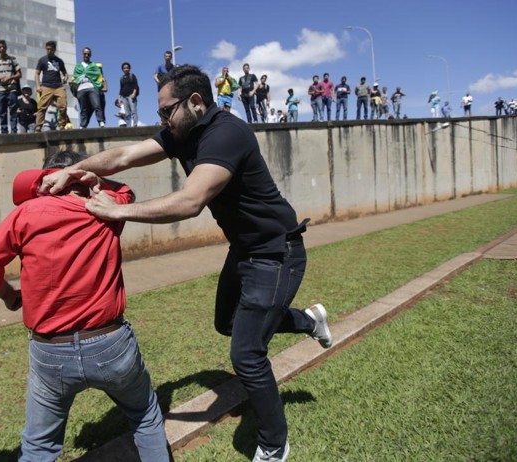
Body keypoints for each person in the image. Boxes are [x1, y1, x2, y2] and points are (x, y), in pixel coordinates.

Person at [37, 65, 333, 462]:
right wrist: (74, 170)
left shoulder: (227, 133)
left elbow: (191, 201)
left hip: (276, 252)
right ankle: (309, 321)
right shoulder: (182, 132)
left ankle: (274, 444)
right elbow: (125, 154)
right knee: (226, 324)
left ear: (195, 102)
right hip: (244, 251)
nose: (162, 121)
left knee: (246, 354)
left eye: (165, 111)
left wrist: (119, 212)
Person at [0, 150, 170, 462]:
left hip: (50, 350)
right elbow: (127, 191)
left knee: (38, 447)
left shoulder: (27, 213)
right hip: (111, 344)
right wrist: (91, 177)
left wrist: (9, 295)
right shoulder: (106, 209)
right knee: (145, 416)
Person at [34, 41, 69, 132]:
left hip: (58, 86)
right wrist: (38, 86)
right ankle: (38, 126)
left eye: (51, 49)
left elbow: (65, 74)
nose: (49, 51)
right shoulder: (42, 60)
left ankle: (62, 125)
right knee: (42, 107)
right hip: (46, 86)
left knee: (63, 106)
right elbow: (37, 73)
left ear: (54, 49)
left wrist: (65, 78)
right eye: (47, 49)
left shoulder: (59, 61)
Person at [0, 40, 22, 134]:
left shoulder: (12, 59)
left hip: (11, 89)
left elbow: (19, 74)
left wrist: (10, 77)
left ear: (6, 47)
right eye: (0, 47)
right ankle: (4, 131)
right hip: (0, 90)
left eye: (3, 47)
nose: (2, 49)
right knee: (2, 112)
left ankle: (14, 131)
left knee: (13, 112)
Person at [72, 47, 105, 128]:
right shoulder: (78, 66)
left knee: (97, 105)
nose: (86, 55)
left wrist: (98, 85)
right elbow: (74, 78)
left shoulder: (93, 65)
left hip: (91, 87)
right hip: (81, 89)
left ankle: (101, 122)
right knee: (83, 108)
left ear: (90, 55)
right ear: (82, 54)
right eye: (85, 53)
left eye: (88, 54)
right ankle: (82, 125)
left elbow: (99, 76)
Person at [119, 62, 139, 127]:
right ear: (122, 69)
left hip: (131, 95)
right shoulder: (122, 78)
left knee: (133, 111)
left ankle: (135, 125)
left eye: (127, 68)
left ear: (129, 69)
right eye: (124, 68)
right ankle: (128, 126)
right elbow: (121, 88)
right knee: (127, 113)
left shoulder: (132, 76)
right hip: (124, 97)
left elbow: (136, 85)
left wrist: (134, 93)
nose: (126, 69)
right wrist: (119, 98)